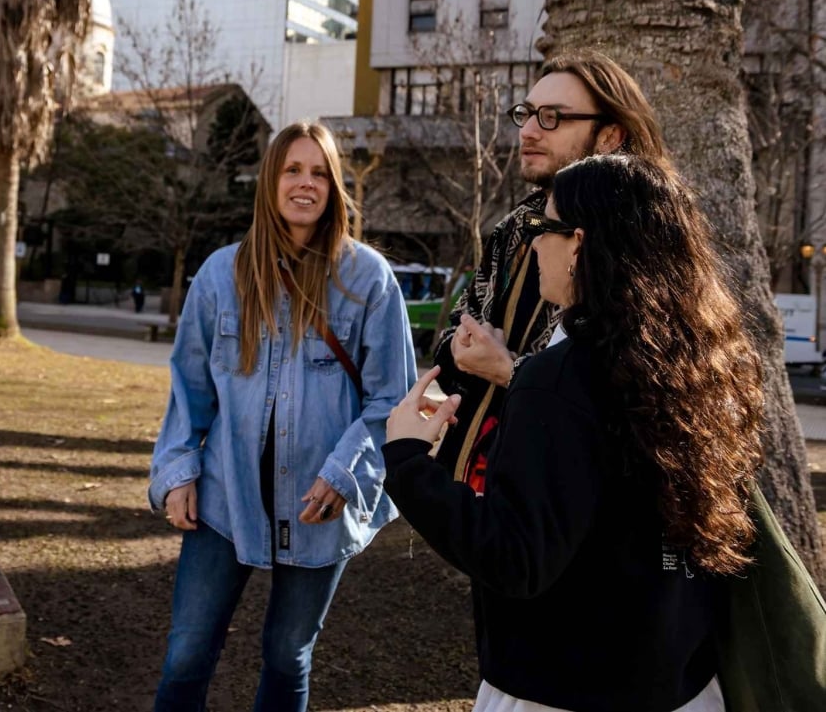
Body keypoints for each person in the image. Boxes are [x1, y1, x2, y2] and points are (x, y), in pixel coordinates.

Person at [384, 155, 762, 712]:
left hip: (561, 689)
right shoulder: (701, 366)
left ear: (580, 242)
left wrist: (409, 458)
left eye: (543, 227)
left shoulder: (562, 377)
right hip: (686, 682)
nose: (533, 243)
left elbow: (516, 559)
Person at [148, 121, 417, 712]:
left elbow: (392, 400)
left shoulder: (368, 278)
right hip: (223, 497)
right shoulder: (221, 274)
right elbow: (190, 388)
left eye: (320, 172)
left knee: (287, 652)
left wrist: (347, 472)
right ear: (270, 181)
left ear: (334, 185)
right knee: (188, 651)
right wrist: (177, 472)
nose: (306, 183)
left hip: (319, 506)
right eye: (293, 170)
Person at [432, 51, 667, 491]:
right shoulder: (515, 227)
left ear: (610, 136)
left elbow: (632, 397)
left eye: (552, 117)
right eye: (526, 114)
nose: (528, 131)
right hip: (485, 497)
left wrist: (508, 370)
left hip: (574, 511)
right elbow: (451, 340)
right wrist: (465, 351)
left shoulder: (645, 242)